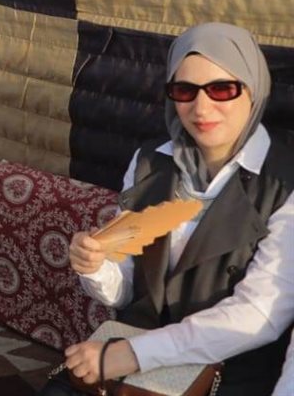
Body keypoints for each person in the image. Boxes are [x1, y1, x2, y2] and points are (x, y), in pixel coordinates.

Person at [57, 23, 293, 396]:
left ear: (254, 89)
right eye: (184, 90)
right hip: (135, 360)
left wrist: (133, 354)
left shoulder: (283, 183)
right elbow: (125, 288)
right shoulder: (150, 163)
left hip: (227, 371)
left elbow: (260, 314)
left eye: (222, 89)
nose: (202, 107)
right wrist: (96, 266)